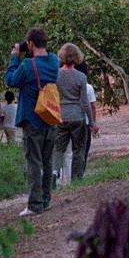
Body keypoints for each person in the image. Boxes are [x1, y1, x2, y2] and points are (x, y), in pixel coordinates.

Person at [5, 27, 60, 217]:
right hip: (50, 118)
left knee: (34, 163)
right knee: (48, 161)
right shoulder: (54, 61)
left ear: (30, 44)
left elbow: (10, 80)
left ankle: (35, 204)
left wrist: (14, 57)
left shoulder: (28, 65)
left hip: (32, 119)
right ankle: (46, 200)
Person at [53, 43, 93, 182]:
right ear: (77, 57)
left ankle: (54, 173)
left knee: (58, 148)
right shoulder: (81, 77)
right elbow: (85, 102)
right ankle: (76, 180)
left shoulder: (55, 75)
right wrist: (91, 121)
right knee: (79, 149)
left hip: (60, 116)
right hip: (77, 117)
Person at [75, 61, 99, 173]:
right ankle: (80, 173)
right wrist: (93, 123)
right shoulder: (88, 87)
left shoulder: (68, 83)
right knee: (84, 149)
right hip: (85, 123)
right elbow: (92, 106)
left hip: (70, 120)